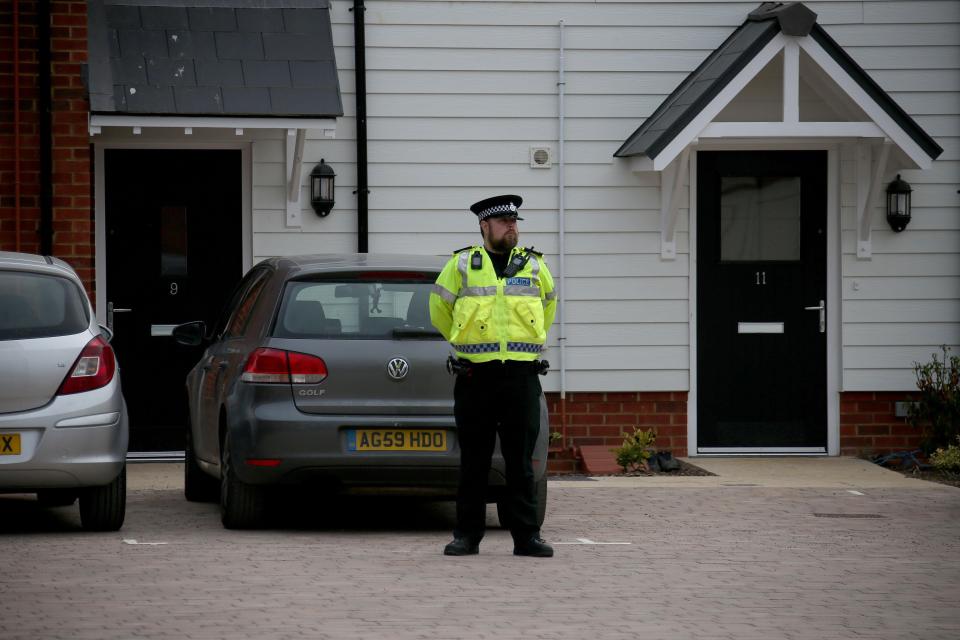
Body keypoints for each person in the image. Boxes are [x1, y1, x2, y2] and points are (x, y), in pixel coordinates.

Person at [429, 194, 557, 558]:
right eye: (503, 222)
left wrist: (526, 346)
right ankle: (466, 536)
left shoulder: (533, 266)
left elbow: (549, 307)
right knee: (474, 461)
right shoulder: (461, 265)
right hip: (475, 377)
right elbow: (439, 309)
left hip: (521, 376)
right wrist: (462, 341)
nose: (511, 227)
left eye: (514, 222)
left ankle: (526, 537)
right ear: (484, 226)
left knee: (521, 462)